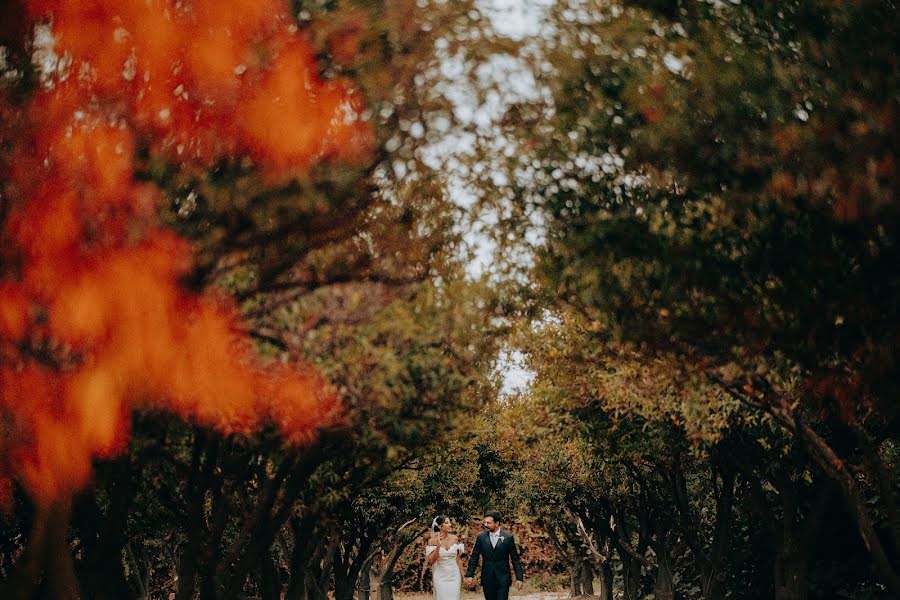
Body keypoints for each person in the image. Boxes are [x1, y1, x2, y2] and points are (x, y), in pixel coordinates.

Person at [464, 512, 524, 600]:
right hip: (487, 577)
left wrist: (519, 578)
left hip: (503, 577)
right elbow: (474, 557)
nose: (485, 525)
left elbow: (515, 559)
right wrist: (470, 574)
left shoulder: (508, 537)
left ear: (497, 523)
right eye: (485, 522)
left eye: (489, 523)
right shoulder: (481, 537)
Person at [426, 515, 465, 600]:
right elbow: (431, 561)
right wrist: (438, 546)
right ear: (439, 526)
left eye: (450, 522)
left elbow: (458, 559)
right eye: (447, 523)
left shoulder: (455, 539)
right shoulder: (432, 541)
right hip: (440, 576)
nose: (450, 525)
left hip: (454, 575)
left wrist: (464, 576)